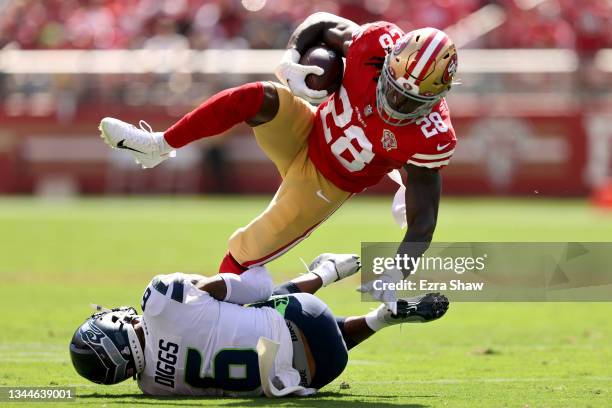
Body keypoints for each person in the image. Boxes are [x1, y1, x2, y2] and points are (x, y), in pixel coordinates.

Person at [98, 12, 459, 309]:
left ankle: (217, 323)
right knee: (259, 97)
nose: (397, 106)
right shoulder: (374, 45)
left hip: (325, 184)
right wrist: (290, 58)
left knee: (244, 252)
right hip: (307, 128)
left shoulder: (432, 135)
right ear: (390, 60)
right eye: (394, 91)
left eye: (411, 103)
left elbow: (423, 220)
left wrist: (396, 272)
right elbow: (319, 24)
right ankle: (158, 144)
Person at [69, 253, 449, 397]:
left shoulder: (153, 388)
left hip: (318, 373)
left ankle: (379, 319)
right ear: (112, 327)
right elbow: (257, 285)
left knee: (277, 345)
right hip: (306, 314)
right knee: (258, 303)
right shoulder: (161, 298)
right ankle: (327, 270)